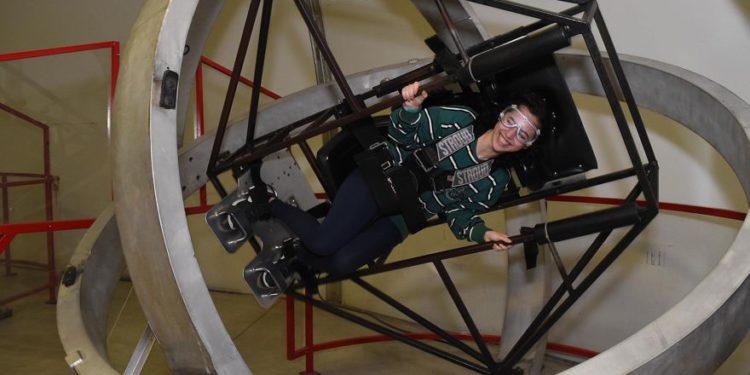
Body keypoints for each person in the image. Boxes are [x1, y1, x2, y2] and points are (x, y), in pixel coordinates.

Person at [262, 81, 548, 277]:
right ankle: (268, 202)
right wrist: (410, 109)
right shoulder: (459, 120)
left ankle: (297, 256)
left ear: (526, 145)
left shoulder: (494, 180)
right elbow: (401, 134)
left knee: (340, 264)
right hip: (383, 178)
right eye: (512, 120)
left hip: (404, 216)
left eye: (524, 133)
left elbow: (460, 214)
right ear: (501, 115)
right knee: (324, 243)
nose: (511, 134)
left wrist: (483, 233)